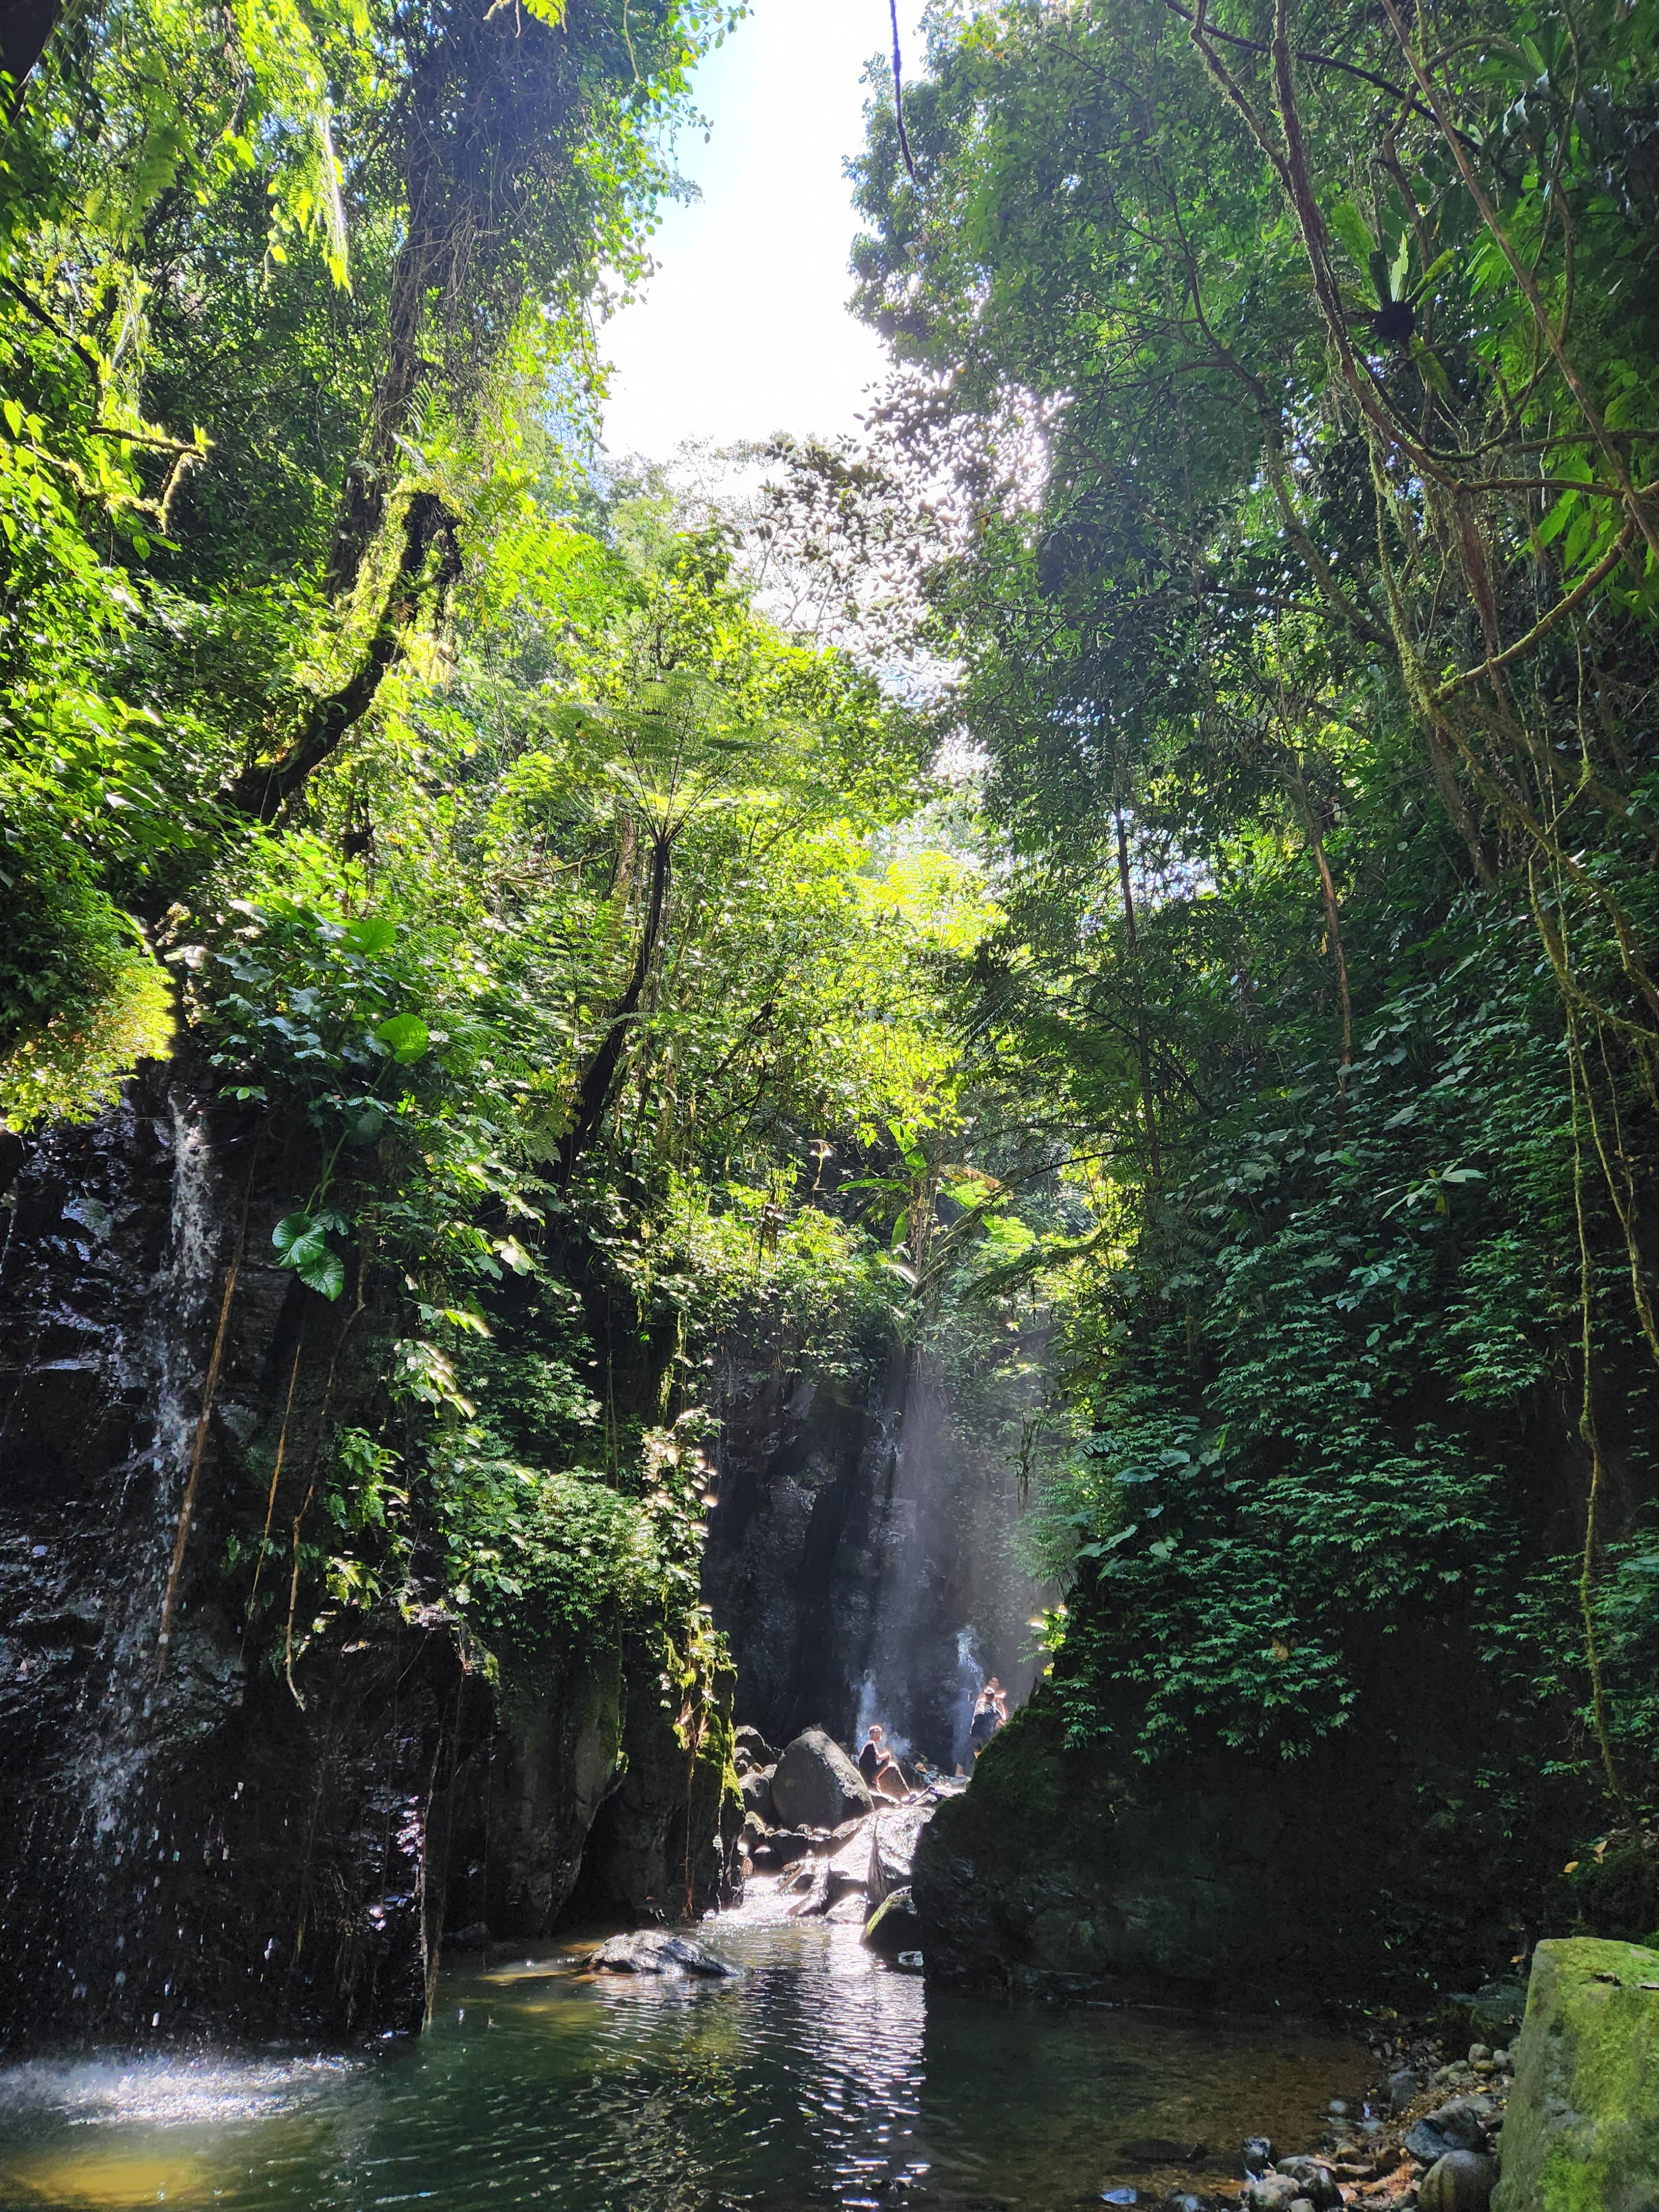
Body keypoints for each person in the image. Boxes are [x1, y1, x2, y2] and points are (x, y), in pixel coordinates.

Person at [857, 1723, 909, 1801]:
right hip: (869, 1774)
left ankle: (875, 1778)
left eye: (880, 1734)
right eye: (877, 1734)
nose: (879, 1736)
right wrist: (888, 1754)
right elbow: (878, 1757)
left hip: (867, 1772)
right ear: (871, 1735)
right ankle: (875, 1778)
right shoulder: (871, 1743)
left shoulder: (869, 1745)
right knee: (886, 1760)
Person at [968, 1677, 1008, 1758]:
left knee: (978, 1759)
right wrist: (1001, 1702)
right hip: (984, 1736)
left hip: (973, 1733)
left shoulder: (979, 1703)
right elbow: (1004, 1722)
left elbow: (984, 1696)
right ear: (994, 1698)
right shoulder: (995, 1712)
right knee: (987, 1758)